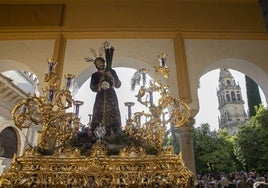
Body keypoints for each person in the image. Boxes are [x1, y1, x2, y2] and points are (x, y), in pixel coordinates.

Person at [90, 47, 121, 136]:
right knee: (98, 113)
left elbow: (118, 85)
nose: (99, 64)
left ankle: (114, 134)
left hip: (111, 96)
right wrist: (101, 81)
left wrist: (111, 76)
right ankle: (97, 135)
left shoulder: (112, 71)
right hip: (100, 97)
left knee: (113, 112)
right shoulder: (95, 75)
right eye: (97, 63)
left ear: (104, 62)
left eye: (100, 62)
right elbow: (92, 87)